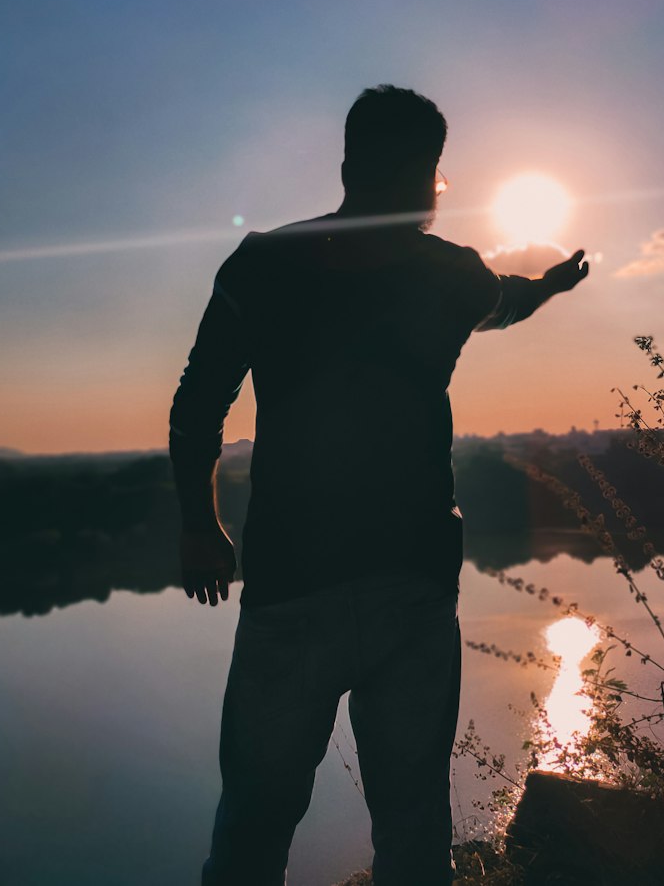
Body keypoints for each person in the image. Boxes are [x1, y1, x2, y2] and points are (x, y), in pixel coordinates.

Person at [169, 85, 590, 886]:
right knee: (412, 825)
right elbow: (509, 300)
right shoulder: (448, 275)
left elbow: (198, 402)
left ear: (349, 162)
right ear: (429, 172)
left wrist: (201, 522)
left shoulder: (264, 261)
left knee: (255, 821)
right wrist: (554, 284)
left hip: (294, 584)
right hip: (412, 588)